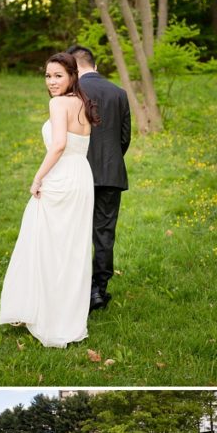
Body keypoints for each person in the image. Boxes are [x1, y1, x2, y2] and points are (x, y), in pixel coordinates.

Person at [0, 51, 98, 347]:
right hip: (82, 175)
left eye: (58, 75)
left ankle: (48, 314)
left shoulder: (58, 103)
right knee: (71, 248)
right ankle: (67, 315)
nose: (52, 82)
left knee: (44, 243)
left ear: (72, 76)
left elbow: (58, 146)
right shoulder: (82, 102)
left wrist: (37, 178)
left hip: (62, 175)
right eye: (48, 75)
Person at [65, 44, 131, 311]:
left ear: (74, 68)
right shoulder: (119, 93)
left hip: (77, 171)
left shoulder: (73, 93)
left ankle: (74, 289)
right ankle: (97, 292)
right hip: (111, 174)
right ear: (94, 65)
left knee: (74, 230)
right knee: (104, 234)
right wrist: (111, 160)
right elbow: (125, 137)